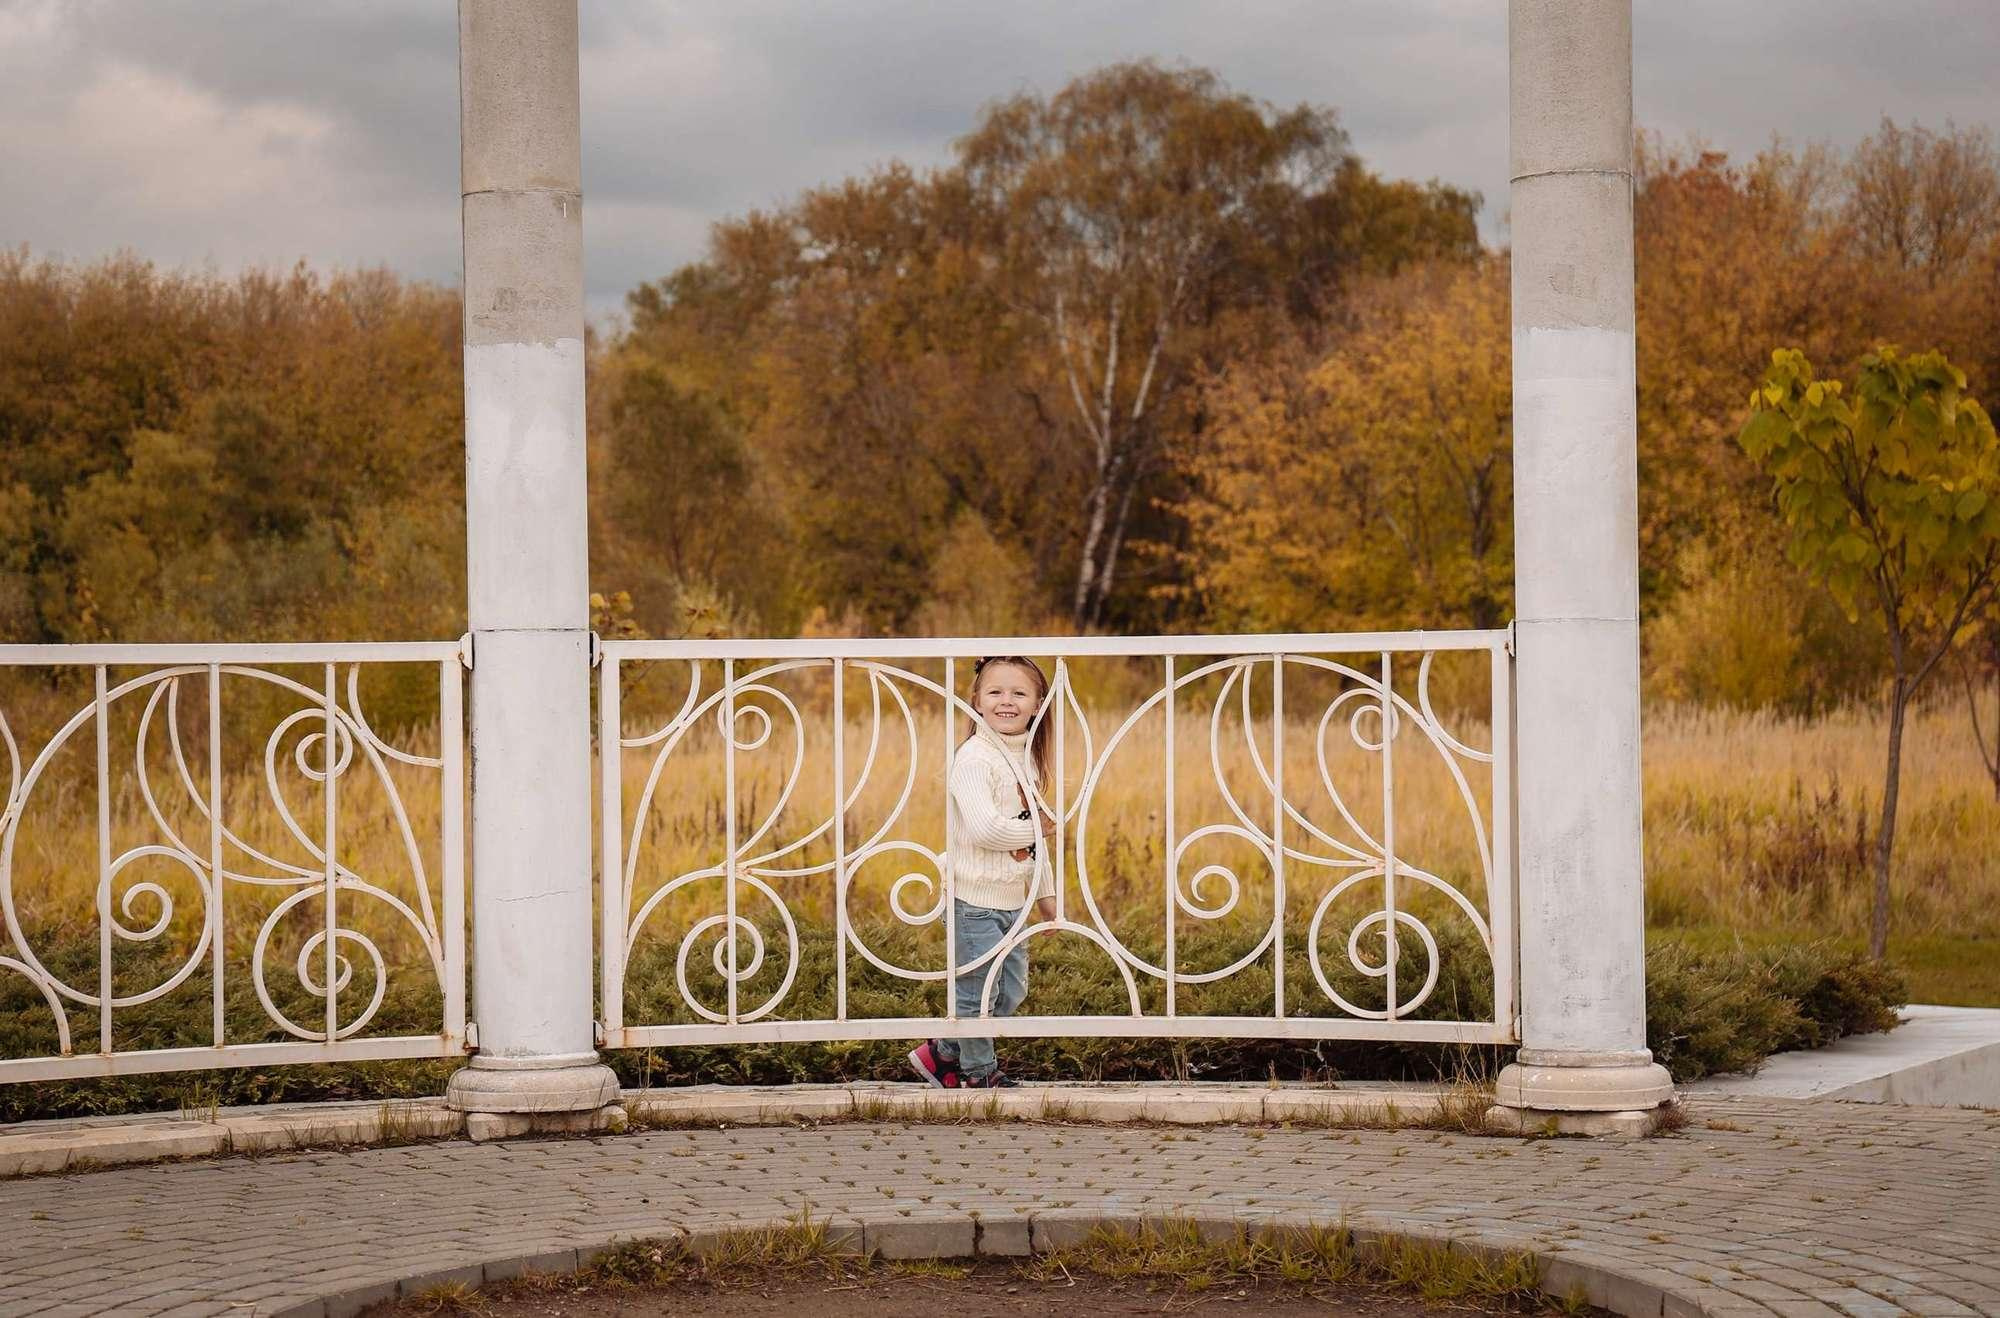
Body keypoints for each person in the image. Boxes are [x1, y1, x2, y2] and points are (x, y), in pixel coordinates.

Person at [908, 655, 1058, 1089]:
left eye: (1019, 693)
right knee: (977, 997)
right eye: (995, 692)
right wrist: (1039, 825)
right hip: (972, 902)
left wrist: (1045, 895)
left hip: (1013, 902)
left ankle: (943, 1052)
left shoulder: (1024, 758)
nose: (1006, 701)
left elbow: (1031, 844)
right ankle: (977, 1075)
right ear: (976, 700)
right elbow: (987, 829)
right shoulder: (974, 759)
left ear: (1037, 704)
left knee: (1010, 992)